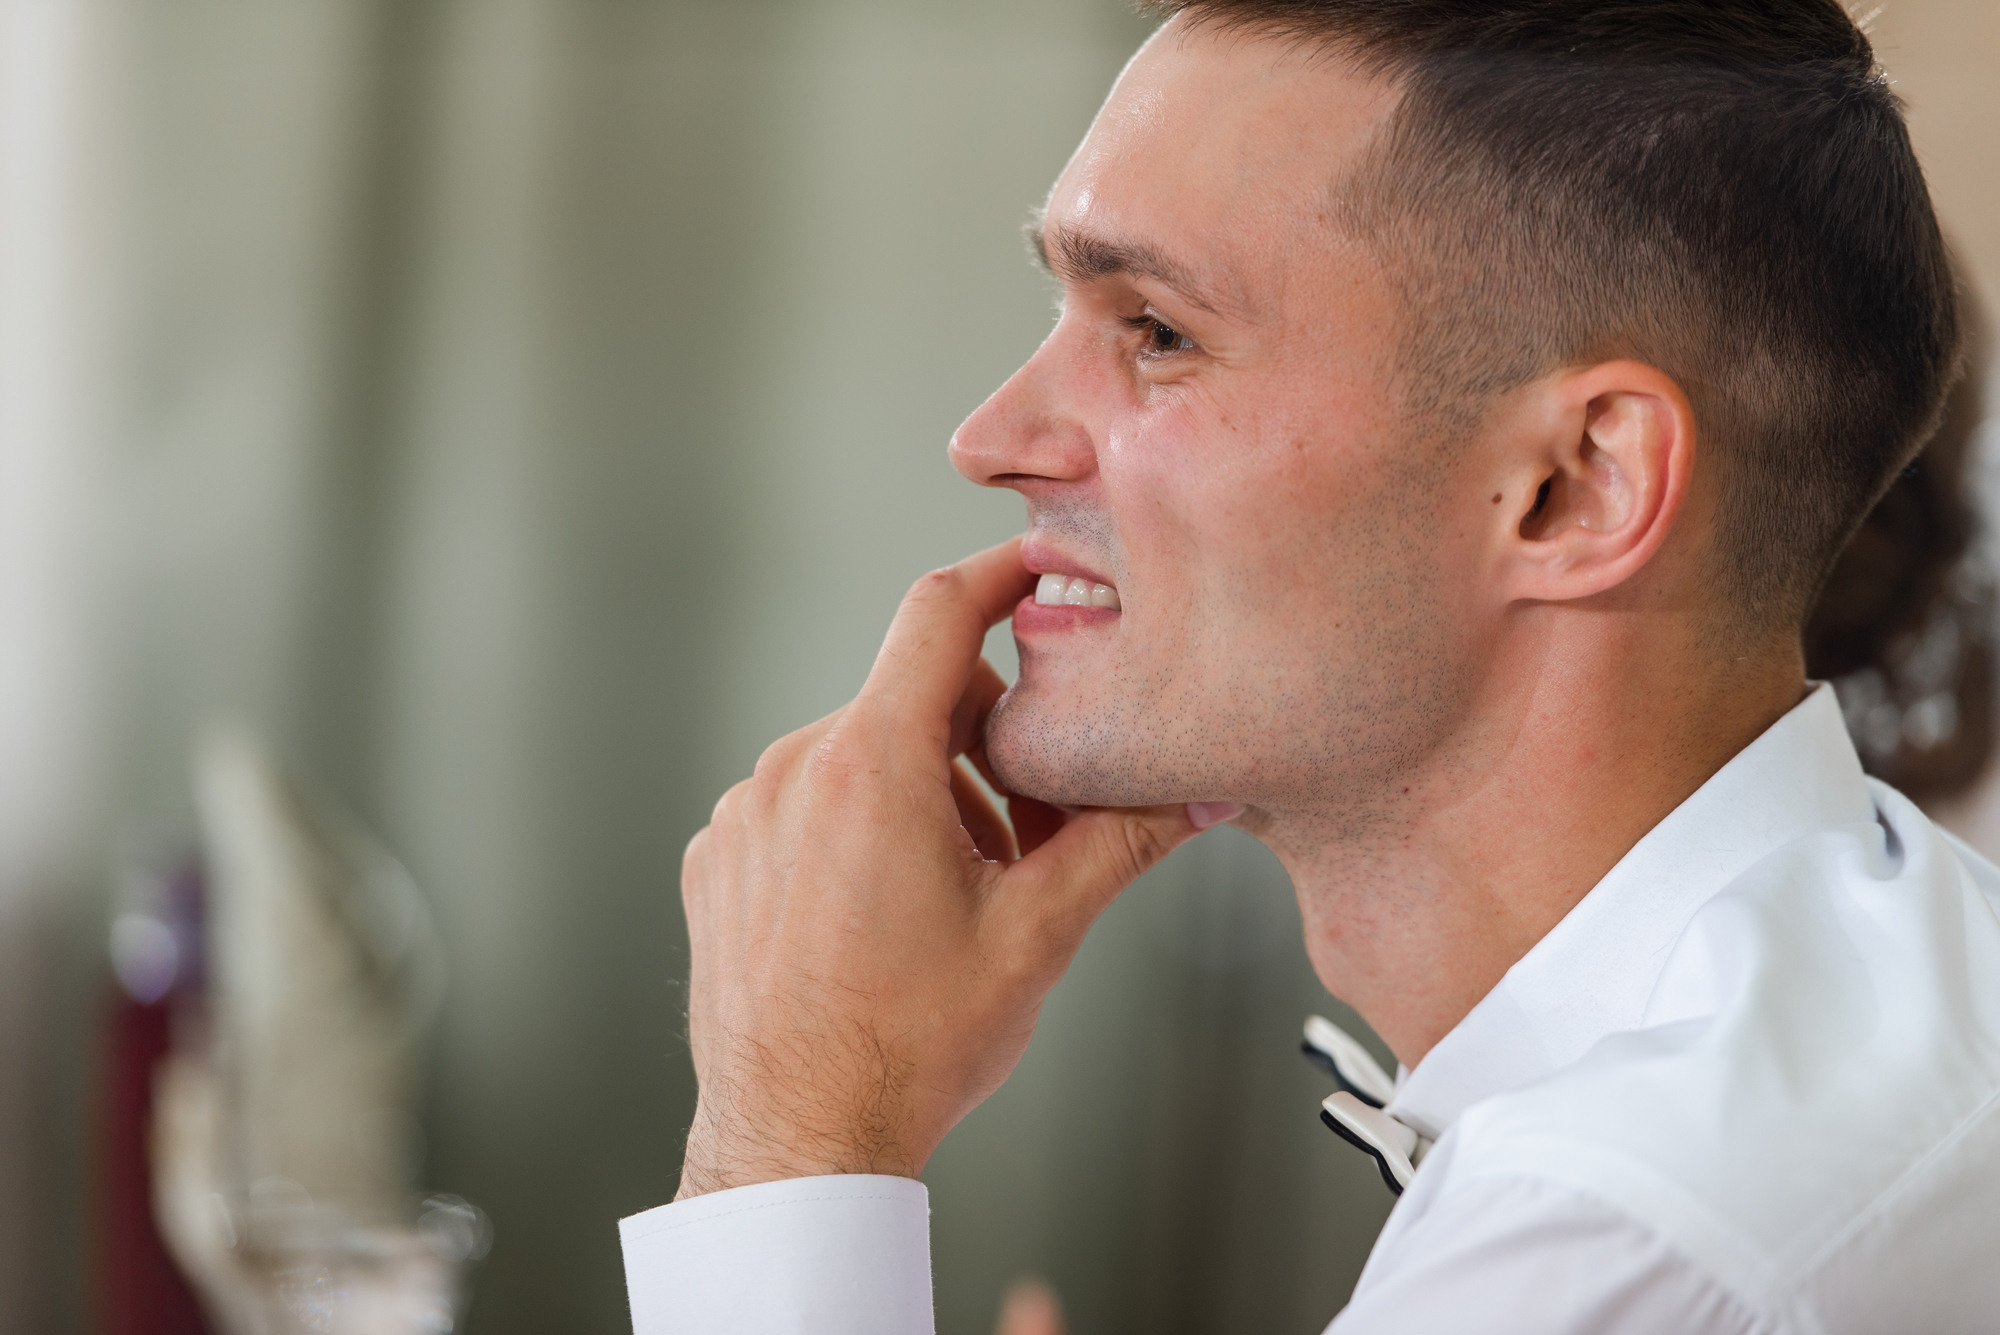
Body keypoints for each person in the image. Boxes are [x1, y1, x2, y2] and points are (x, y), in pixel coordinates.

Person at [622, 2, 2000, 1330]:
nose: (990, 437)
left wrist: (794, 1129)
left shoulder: (1639, 1231)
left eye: (1156, 332)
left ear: (1573, 487)